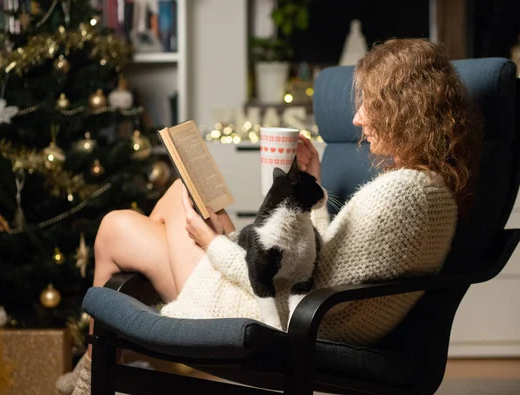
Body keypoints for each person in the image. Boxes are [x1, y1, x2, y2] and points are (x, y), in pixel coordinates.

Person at [58, 37, 483, 395]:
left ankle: (94, 370)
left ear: (403, 109)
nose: (358, 118)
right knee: (177, 196)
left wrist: (213, 245)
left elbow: (307, 290)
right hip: (292, 303)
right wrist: (313, 193)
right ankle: (100, 362)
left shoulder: (400, 195)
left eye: (369, 104)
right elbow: (320, 268)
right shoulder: (429, 190)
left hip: (268, 315)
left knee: (116, 228)